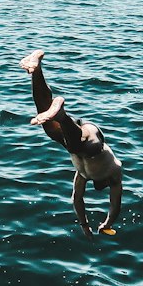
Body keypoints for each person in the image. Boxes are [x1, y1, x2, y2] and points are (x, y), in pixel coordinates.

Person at [20, 50, 122, 238]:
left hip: (73, 139)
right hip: (92, 138)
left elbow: (77, 199)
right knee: (76, 144)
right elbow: (115, 205)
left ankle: (36, 68)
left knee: (48, 124)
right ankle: (61, 113)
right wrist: (107, 223)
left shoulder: (82, 175)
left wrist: (84, 225)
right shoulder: (114, 174)